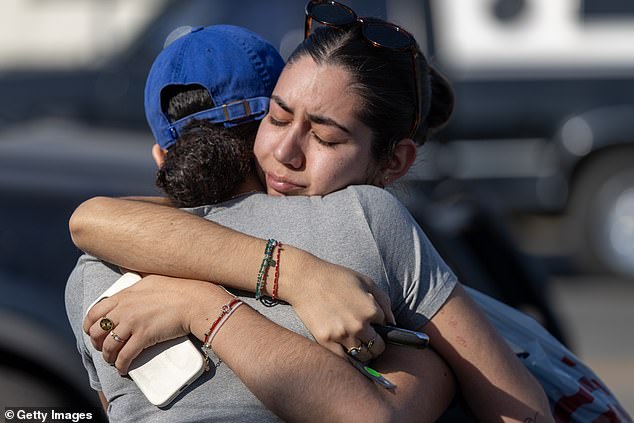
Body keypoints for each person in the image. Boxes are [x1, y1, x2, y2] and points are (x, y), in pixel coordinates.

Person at [70, 3, 554, 421]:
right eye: (278, 119)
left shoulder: (93, 269)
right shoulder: (368, 219)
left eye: (325, 137)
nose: (285, 152)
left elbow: (93, 220)